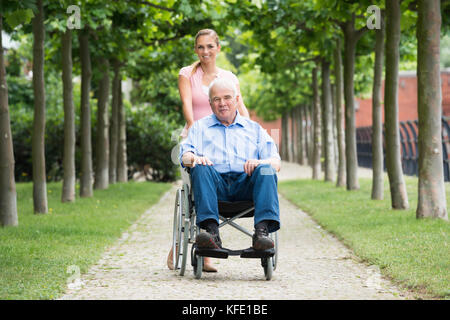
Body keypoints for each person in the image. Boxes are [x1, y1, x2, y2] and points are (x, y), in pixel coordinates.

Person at [167, 29, 250, 272]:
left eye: (210, 47)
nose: (205, 52)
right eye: (200, 47)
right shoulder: (187, 74)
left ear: (218, 48)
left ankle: (207, 251)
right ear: (196, 50)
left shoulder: (228, 77)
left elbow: (241, 107)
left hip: (225, 139)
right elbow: (186, 105)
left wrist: (252, 132)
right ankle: (191, 249)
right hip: (197, 139)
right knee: (196, 192)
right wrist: (194, 132)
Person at [180, 78, 281, 252]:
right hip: (213, 187)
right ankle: (211, 233)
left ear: (236, 100)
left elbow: (276, 162)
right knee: (201, 166)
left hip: (246, 186)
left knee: (266, 170)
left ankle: (262, 233)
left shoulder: (254, 129)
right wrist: (194, 158)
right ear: (210, 103)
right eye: (217, 99)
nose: (222, 103)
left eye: (227, 97)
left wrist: (260, 162)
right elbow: (185, 156)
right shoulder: (199, 128)